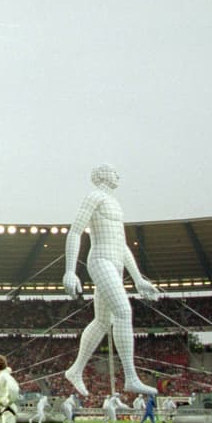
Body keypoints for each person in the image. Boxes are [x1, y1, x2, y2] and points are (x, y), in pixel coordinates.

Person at [63, 165, 161, 398]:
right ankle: (130, 377)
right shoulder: (94, 196)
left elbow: (122, 245)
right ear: (101, 176)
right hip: (101, 260)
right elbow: (75, 231)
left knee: (102, 321)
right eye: (114, 171)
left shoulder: (115, 203)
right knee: (123, 311)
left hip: (116, 262)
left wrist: (138, 279)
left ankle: (75, 370)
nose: (119, 174)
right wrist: (70, 270)